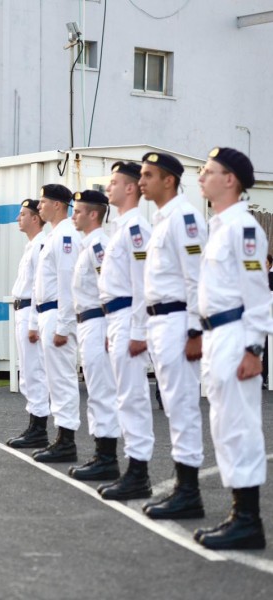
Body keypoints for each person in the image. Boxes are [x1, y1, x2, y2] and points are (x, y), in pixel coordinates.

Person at [193, 147, 271, 549]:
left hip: (236, 335)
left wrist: (254, 349)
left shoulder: (243, 229)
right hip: (216, 335)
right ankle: (239, 514)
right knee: (224, 426)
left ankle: (248, 520)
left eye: (208, 171)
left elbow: (257, 295)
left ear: (231, 180)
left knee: (240, 427)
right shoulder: (219, 226)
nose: (200, 177)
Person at [139, 151, 207, 520]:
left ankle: (189, 492)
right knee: (174, 407)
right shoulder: (164, 219)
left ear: (169, 180)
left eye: (149, 175)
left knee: (182, 408)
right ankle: (184, 488)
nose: (142, 181)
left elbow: (197, 277)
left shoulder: (185, 218)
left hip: (180, 322)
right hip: (161, 323)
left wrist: (196, 330)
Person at [97, 161, 155, 501]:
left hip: (129, 319)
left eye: (115, 182)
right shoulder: (121, 227)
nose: (109, 187)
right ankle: (132, 469)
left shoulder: (136, 229)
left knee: (133, 398)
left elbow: (142, 285)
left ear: (130, 188)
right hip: (116, 319)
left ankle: (139, 473)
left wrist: (137, 330)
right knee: (124, 398)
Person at [67, 190, 120, 480]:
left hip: (99, 322)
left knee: (102, 393)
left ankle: (107, 458)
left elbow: (107, 284)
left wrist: (110, 327)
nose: (73, 216)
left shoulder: (99, 244)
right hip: (89, 322)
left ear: (93, 214)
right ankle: (102, 454)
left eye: (77, 211)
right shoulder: (89, 244)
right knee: (97, 392)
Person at [29, 184, 81, 462]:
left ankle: (67, 440)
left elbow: (67, 282)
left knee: (62, 381)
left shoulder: (66, 236)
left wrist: (63, 326)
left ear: (58, 205)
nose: (39, 207)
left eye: (43, 201)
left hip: (59, 313)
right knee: (55, 380)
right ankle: (62, 438)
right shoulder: (55, 235)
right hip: (48, 313)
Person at [6, 199, 50, 449]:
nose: (17, 219)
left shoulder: (40, 245)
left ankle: (39, 428)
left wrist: (34, 322)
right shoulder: (32, 245)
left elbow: (38, 287)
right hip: (22, 310)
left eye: (22, 214)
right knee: (29, 372)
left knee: (34, 372)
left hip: (30, 310)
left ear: (35, 218)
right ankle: (34, 425)